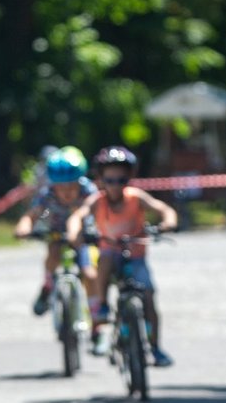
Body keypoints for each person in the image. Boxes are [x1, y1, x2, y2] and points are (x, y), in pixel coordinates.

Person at [66, 145, 178, 366]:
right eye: (110, 180)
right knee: (104, 262)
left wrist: (168, 223)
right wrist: (74, 233)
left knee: (148, 295)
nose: (115, 186)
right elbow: (77, 217)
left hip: (135, 255)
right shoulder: (97, 201)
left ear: (129, 178)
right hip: (109, 251)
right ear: (101, 180)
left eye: (121, 180)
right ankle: (102, 311)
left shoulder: (136, 197)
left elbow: (164, 209)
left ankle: (155, 347)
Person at [14, 145, 99, 322]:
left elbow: (100, 212)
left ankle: (96, 321)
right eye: (61, 187)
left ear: (80, 181)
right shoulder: (47, 194)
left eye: (72, 187)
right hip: (57, 233)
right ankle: (47, 286)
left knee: (90, 274)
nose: (67, 192)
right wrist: (24, 226)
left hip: (83, 236)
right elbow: (33, 213)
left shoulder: (89, 191)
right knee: (53, 254)